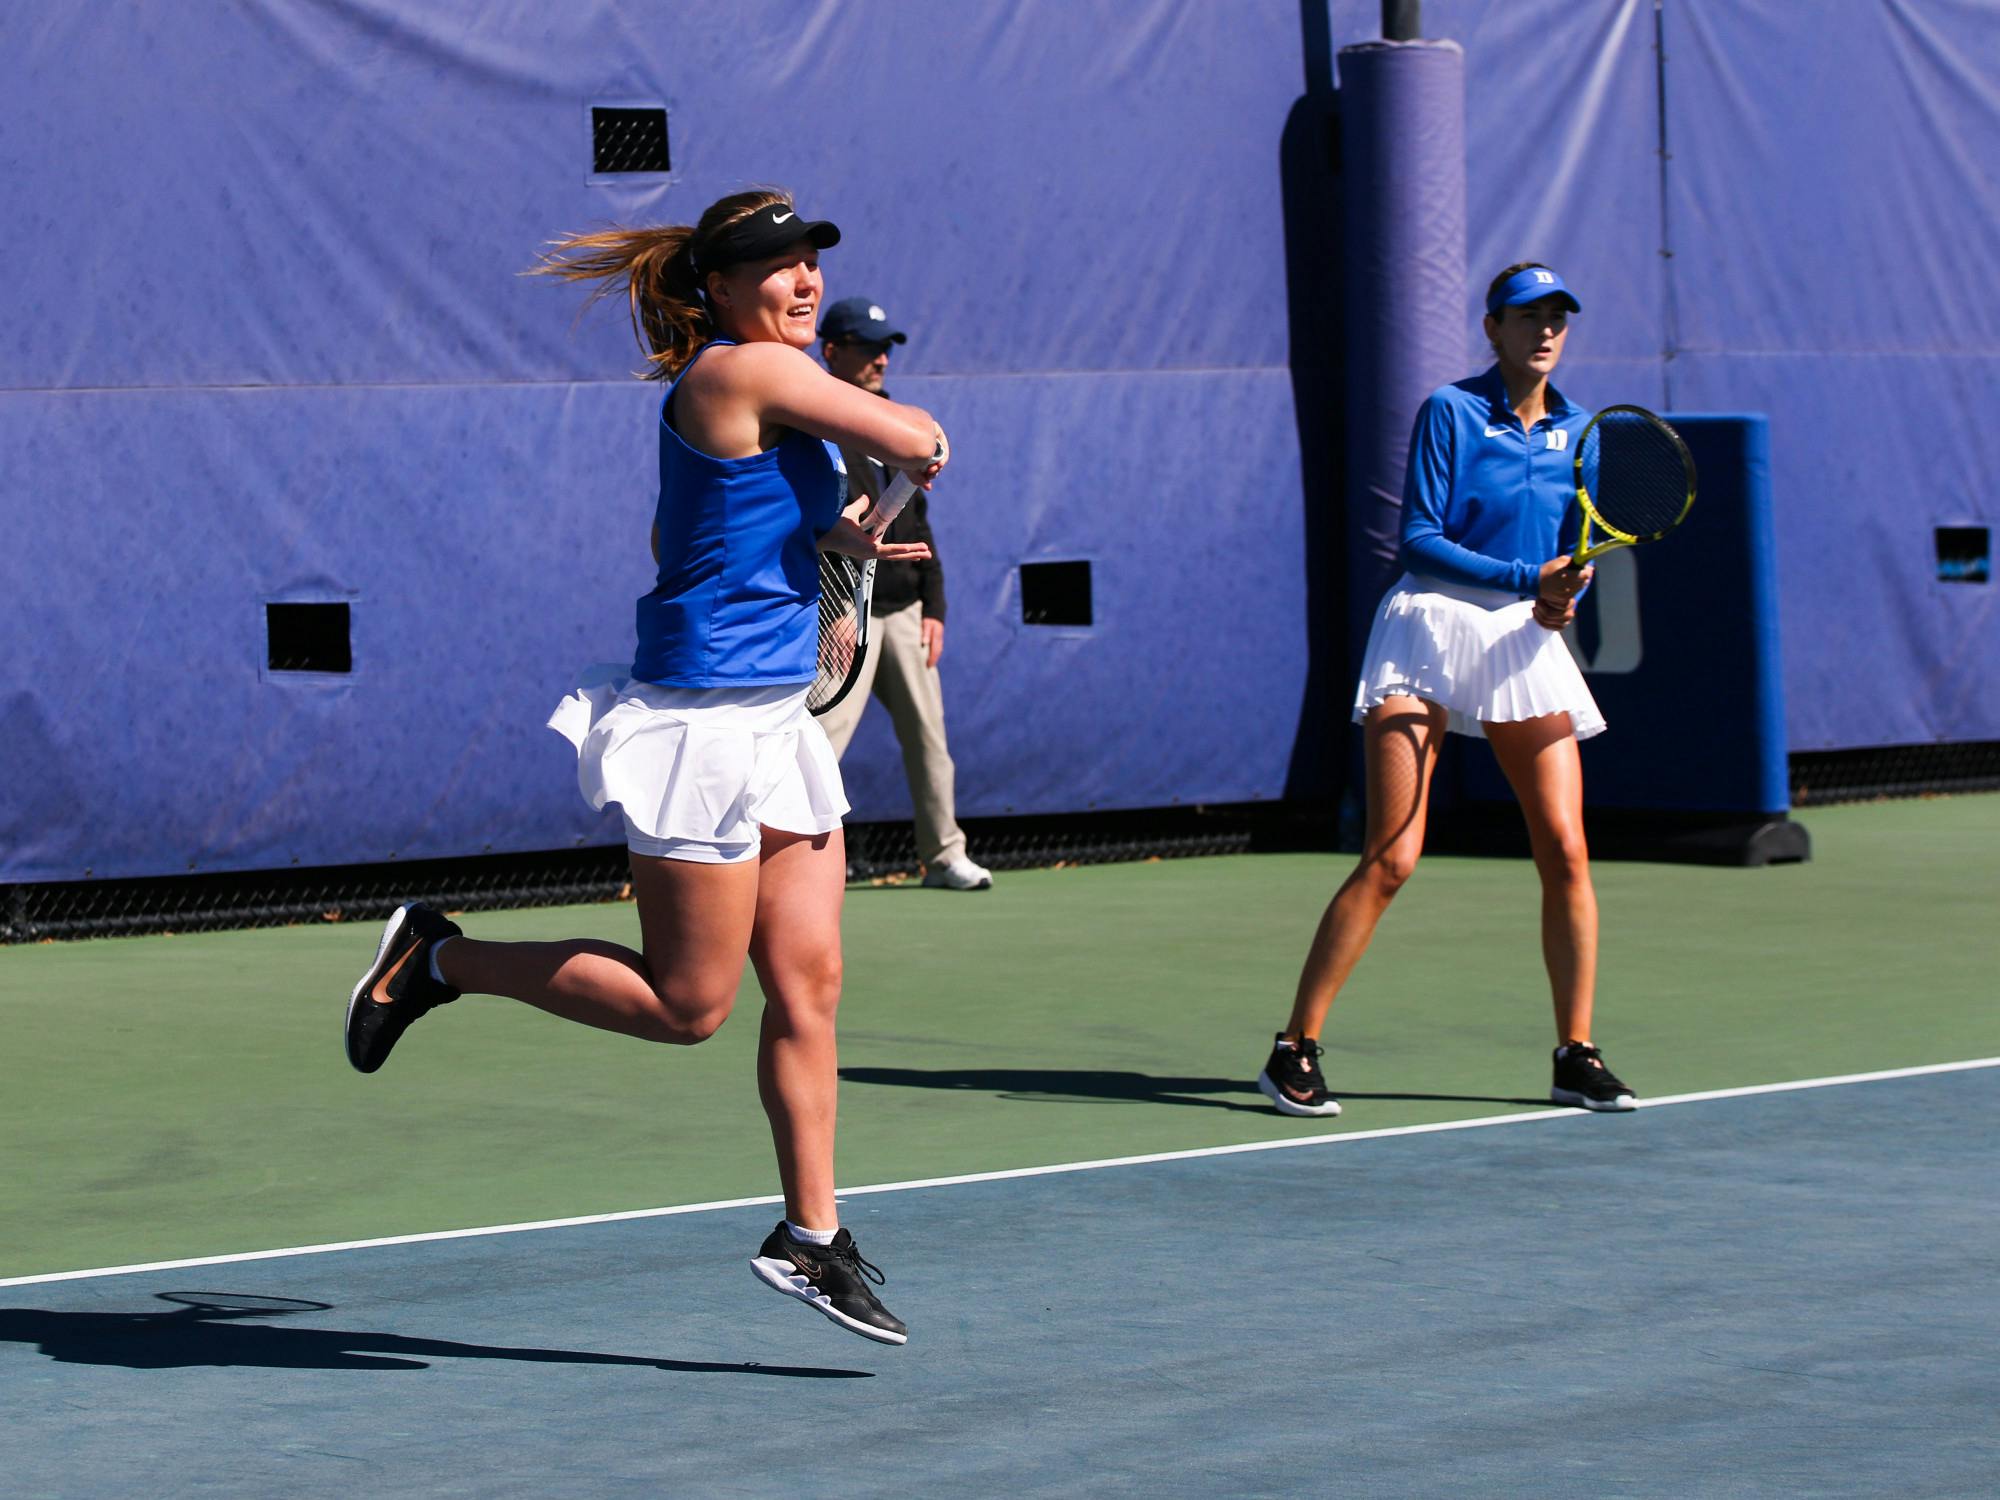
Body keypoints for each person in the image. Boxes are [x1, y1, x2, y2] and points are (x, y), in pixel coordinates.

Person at [340, 190, 946, 1345]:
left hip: (774, 723)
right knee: (688, 1007)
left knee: (808, 985)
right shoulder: (734, 374)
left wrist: (829, 541)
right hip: (698, 732)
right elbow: (912, 434)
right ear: (716, 290)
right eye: (774, 267)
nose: (803, 282)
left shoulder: (767, 398)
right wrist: (909, 445)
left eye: (809, 262)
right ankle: (439, 957)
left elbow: (685, 543)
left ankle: (811, 1239)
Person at [1256, 262, 1637, 1119]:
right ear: (1492, 328)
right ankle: (1294, 1049)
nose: (1544, 331)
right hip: (1429, 625)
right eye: (1525, 316)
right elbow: (1419, 539)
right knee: (1394, 855)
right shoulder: (1452, 411)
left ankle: (1576, 1053)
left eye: (1557, 318)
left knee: (1567, 853)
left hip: (1521, 640)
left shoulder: (1586, 433)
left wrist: (1558, 591)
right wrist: (1521, 574)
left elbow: (1570, 547)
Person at [812, 296, 993, 892]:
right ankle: (792, 865)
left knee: (930, 743)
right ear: (832, 351)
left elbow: (919, 525)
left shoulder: (894, 424)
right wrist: (837, 611)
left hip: (906, 614)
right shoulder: (813, 425)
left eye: (885, 347)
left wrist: (934, 608)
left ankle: (943, 857)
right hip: (844, 617)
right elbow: (812, 527)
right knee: (818, 748)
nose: (880, 358)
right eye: (867, 348)